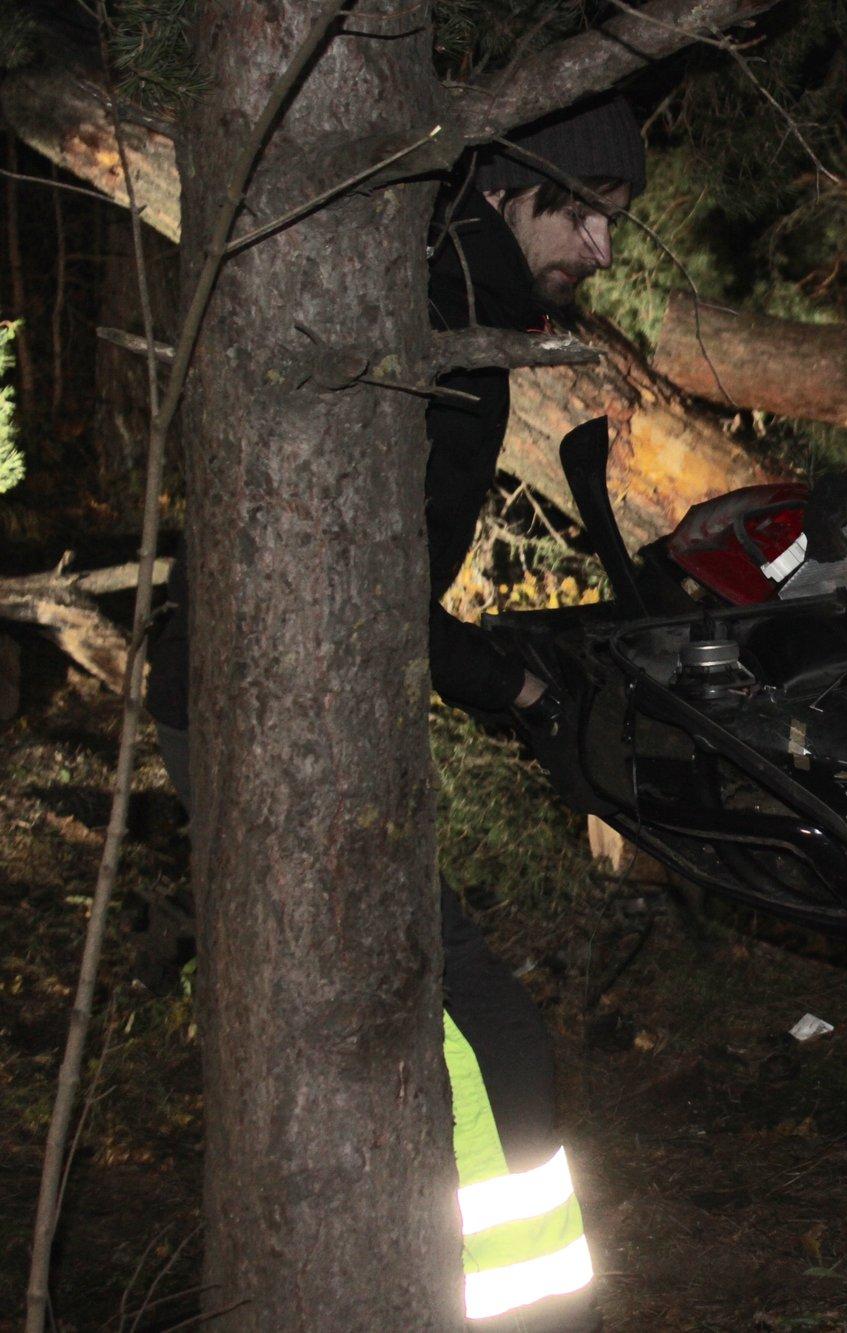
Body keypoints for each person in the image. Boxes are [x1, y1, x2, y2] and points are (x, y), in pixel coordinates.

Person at [144, 96, 645, 1324]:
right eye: (585, 211)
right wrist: (505, 681)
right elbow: (348, 583)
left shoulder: (449, 294)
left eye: (617, 223)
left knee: (373, 1033)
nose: (604, 249)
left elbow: (373, 569)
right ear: (505, 187)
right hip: (265, 717)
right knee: (486, 1035)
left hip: (242, 703)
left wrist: (506, 664)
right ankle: (521, 1310)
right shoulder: (435, 319)